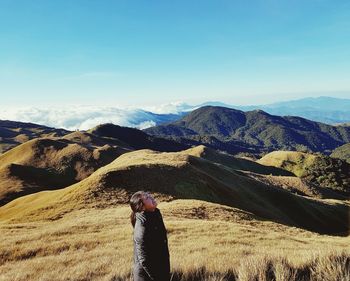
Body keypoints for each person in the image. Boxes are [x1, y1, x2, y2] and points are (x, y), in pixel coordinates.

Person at [129, 191, 170, 281]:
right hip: (147, 276)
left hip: (159, 269)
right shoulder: (142, 227)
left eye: (149, 195)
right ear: (142, 207)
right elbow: (144, 260)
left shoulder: (155, 214)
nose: (151, 197)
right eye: (147, 198)